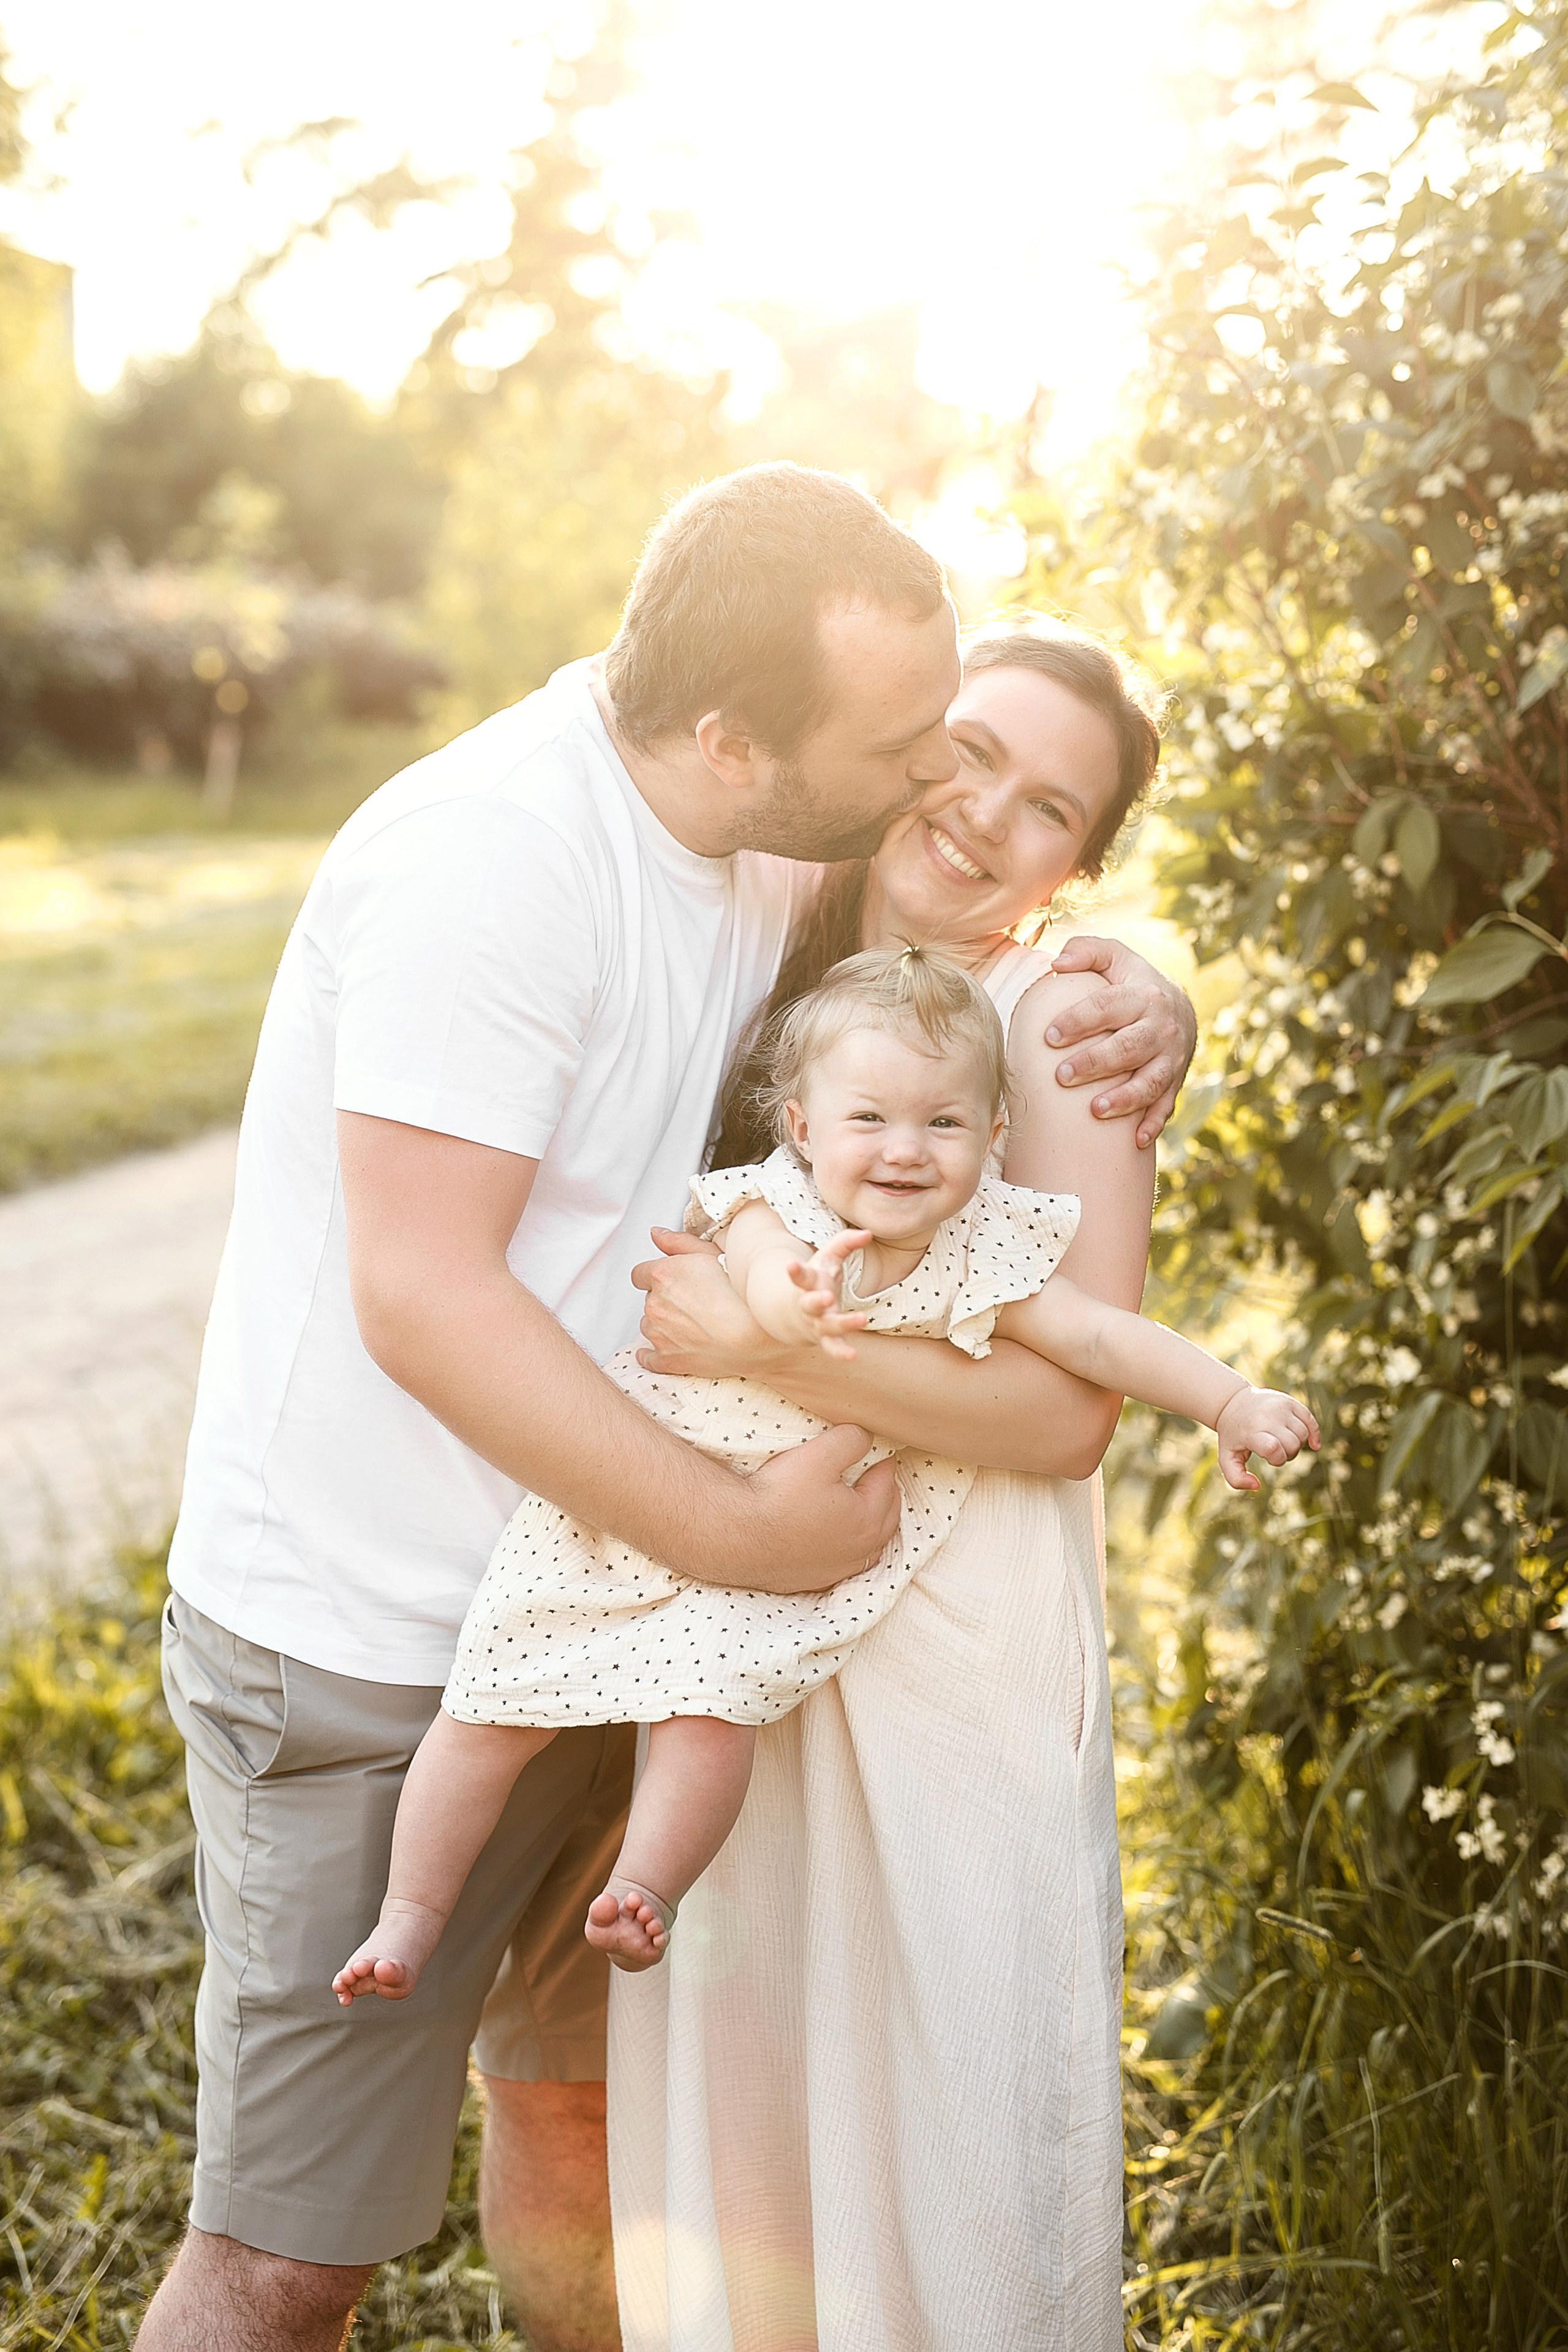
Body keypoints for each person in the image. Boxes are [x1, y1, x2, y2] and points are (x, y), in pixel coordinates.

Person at [140, 473, 1194, 2352]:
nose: (940, 791)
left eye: (1026, 792)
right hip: (391, 1639)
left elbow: (1006, 1042)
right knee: (290, 2256)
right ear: (737, 738)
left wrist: (1143, 1005)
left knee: (594, 2132)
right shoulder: (506, 860)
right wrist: (738, 1533)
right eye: (924, 748)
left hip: (652, 1641)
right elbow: (424, 1294)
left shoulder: (773, 856)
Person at [332, 947, 1311, 2005]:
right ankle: (408, 1917)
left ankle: (645, 1890)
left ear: (993, 1138)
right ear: (802, 1128)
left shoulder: (983, 1250)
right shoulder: (773, 1210)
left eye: (943, 1123)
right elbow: (754, 1269)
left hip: (771, 1553)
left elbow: (1103, 1341)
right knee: (491, 1706)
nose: (904, 1151)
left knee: (710, 1719)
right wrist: (788, 1308)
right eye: (869, 1119)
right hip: (644, 1489)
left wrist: (1229, 1399)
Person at [611, 618, 1194, 2351]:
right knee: (759, 2125)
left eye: (1048, 806)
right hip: (741, 1629)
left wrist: (771, 1354)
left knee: (954, 2134)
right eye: (970, 750)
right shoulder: (766, 936)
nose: (981, 811)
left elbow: (1071, 1408)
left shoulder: (1060, 1011)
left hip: (952, 1649)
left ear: (1076, 867)